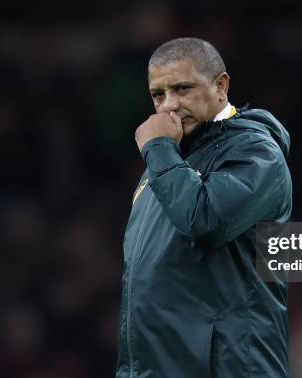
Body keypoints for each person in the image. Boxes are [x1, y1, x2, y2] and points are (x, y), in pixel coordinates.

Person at [116, 37, 292, 378]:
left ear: (221, 86)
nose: (169, 105)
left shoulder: (256, 153)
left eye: (182, 89)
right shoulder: (168, 160)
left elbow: (204, 219)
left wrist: (158, 149)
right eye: (158, 95)